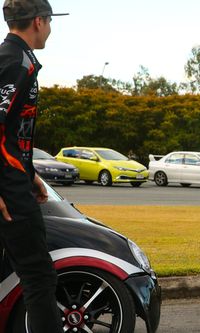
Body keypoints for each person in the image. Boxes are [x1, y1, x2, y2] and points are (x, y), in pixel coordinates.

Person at [0, 1, 67, 332]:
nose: (51, 30)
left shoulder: (16, 58)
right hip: (9, 193)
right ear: (39, 21)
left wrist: (31, 174)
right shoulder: (15, 62)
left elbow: (10, 132)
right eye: (50, 22)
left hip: (16, 182)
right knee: (39, 276)